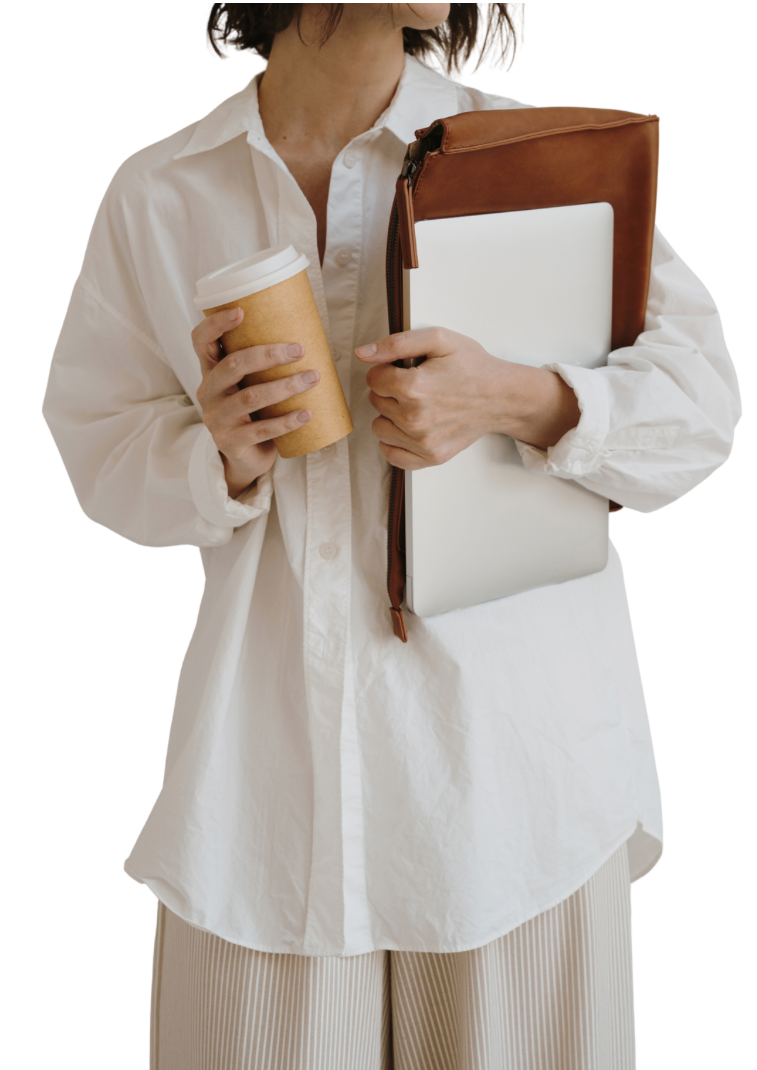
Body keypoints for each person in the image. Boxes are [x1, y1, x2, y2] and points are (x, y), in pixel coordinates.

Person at [41, 4, 741, 1069]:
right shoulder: (162, 190)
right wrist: (217, 453)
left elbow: (700, 401)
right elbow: (97, 442)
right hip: (260, 800)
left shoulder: (535, 156)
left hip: (514, 785)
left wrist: (514, 398)